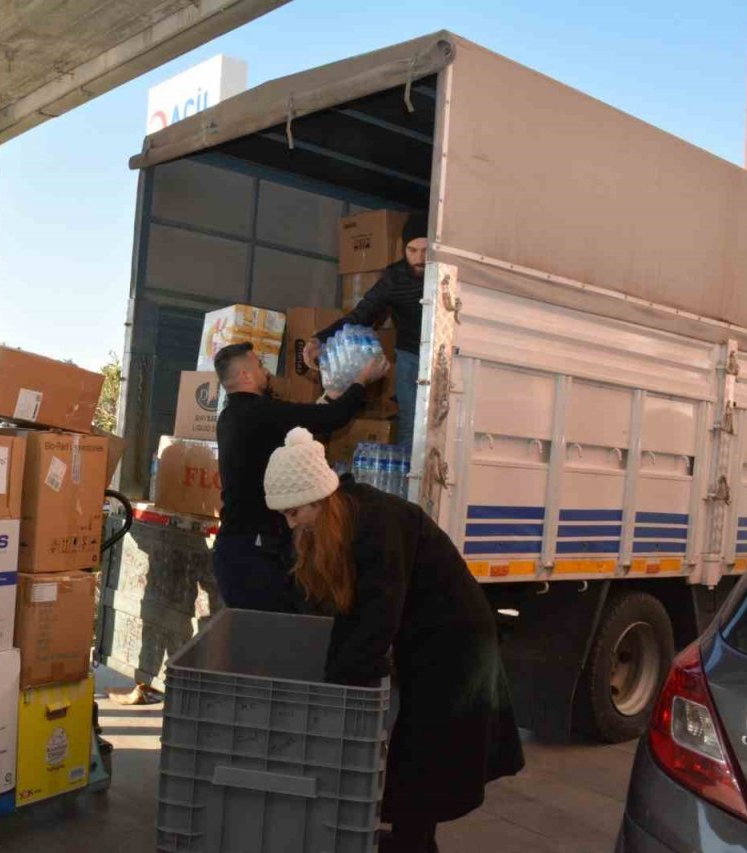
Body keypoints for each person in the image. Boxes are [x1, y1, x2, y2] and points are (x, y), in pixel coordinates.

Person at [262, 427, 525, 853]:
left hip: (454, 639)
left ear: (318, 498)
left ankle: (415, 844)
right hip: (423, 632)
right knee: (417, 750)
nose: (290, 523)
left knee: (426, 751)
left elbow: (376, 618)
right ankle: (409, 837)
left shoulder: (376, 524)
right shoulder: (347, 514)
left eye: (294, 513)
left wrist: (338, 689)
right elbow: (351, 612)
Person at [212, 341, 388, 613]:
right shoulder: (259, 413)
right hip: (254, 553)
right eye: (259, 366)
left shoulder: (231, 417)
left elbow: (299, 422)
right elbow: (331, 418)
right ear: (245, 376)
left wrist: (330, 396)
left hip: (236, 548)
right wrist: (362, 380)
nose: (266, 372)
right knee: (278, 635)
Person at [304, 212, 428, 447]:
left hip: (448, 356)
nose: (419, 258)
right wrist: (319, 339)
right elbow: (360, 316)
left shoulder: (447, 272)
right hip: (410, 356)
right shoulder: (394, 277)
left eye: (426, 250)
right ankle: (407, 482)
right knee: (410, 424)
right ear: (404, 248)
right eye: (412, 250)